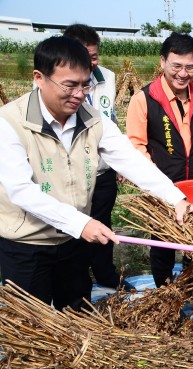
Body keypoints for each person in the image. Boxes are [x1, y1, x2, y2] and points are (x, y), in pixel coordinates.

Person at [0, 36, 193, 311]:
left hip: (72, 241)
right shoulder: (10, 122)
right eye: (69, 85)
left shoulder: (93, 118)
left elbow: (131, 161)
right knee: (31, 325)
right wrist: (81, 223)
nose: (79, 94)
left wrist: (175, 198)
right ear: (39, 78)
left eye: (85, 84)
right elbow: (21, 191)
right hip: (27, 244)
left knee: (77, 311)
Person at [126, 32, 193, 288]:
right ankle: (166, 292)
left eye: (190, 67)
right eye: (176, 65)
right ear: (162, 62)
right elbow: (136, 146)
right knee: (164, 244)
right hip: (163, 187)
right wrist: (155, 182)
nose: (183, 73)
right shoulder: (144, 99)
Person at [62, 23, 133, 291]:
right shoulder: (57, 83)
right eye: (85, 56)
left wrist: (120, 160)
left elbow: (110, 119)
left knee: (103, 223)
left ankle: (105, 274)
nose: (92, 63)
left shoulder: (108, 78)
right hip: (72, 174)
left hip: (102, 170)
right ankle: (76, 279)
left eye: (94, 56)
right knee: (74, 228)